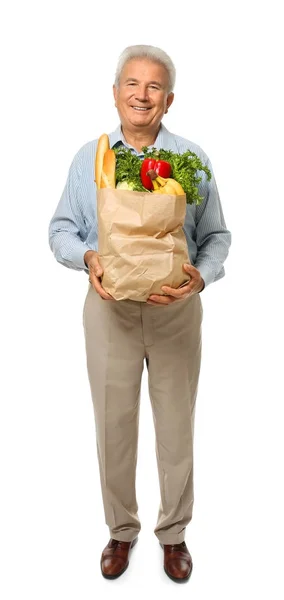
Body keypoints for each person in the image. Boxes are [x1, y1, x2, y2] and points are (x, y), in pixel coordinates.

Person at [48, 44, 231, 583]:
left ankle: (173, 534)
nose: (141, 95)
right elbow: (60, 228)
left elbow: (217, 236)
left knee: (177, 427)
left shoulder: (190, 159)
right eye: (132, 84)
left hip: (176, 312)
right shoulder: (92, 156)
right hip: (110, 312)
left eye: (154, 87)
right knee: (114, 427)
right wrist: (86, 258)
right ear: (115, 93)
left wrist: (202, 275)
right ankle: (119, 531)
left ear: (168, 100)